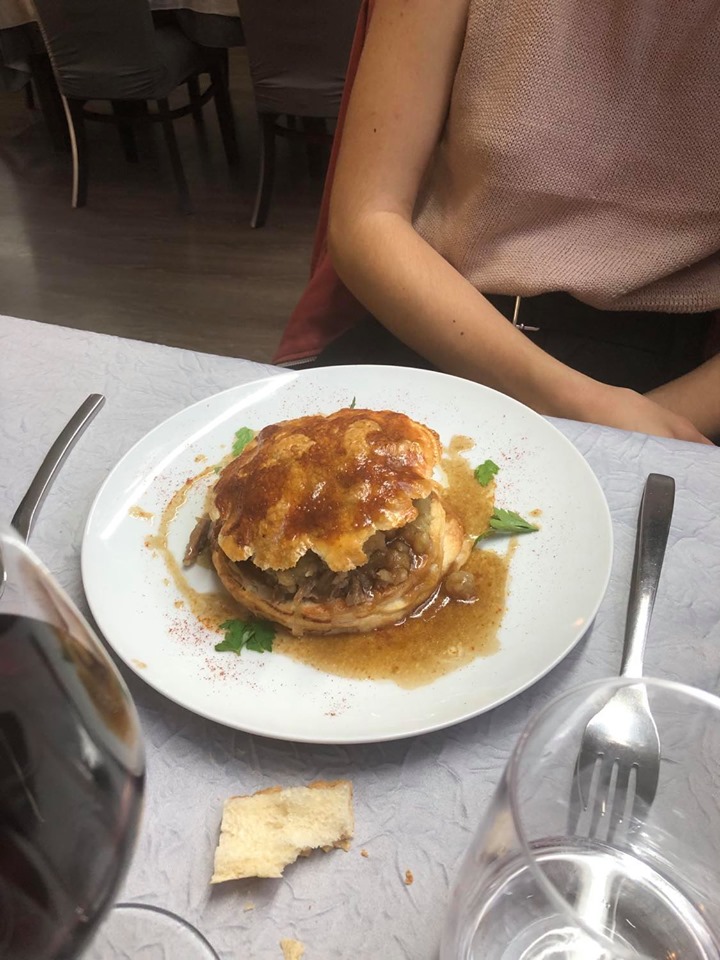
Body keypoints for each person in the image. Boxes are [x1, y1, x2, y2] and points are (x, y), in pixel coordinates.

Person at [274, 0, 720, 443]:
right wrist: (582, 409)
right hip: (440, 321)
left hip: (677, 369)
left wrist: (646, 430)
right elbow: (368, 217)